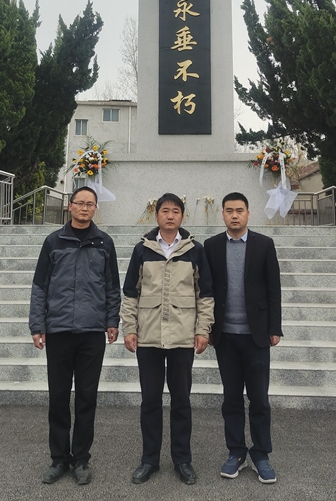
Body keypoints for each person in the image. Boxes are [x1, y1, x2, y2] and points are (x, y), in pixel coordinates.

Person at [29, 186, 121, 486]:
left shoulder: (104, 243)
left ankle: (81, 459)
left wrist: (112, 321)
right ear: (70, 206)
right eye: (79, 203)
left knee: (86, 397)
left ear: (95, 208)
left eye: (90, 204)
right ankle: (59, 459)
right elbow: (40, 286)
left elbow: (112, 287)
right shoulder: (53, 241)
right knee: (58, 397)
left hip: (92, 332)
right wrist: (37, 325)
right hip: (58, 331)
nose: (84, 208)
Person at [121, 192, 214, 485]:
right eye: (165, 210)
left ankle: (182, 460)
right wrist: (129, 328)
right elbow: (130, 292)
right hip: (148, 337)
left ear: (182, 216)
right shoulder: (142, 249)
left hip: (182, 338)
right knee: (150, 400)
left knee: (181, 401)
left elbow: (205, 295)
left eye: (175, 211)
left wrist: (202, 330)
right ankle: (149, 459)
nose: (170, 215)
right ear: (156, 215)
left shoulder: (195, 250)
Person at [203, 192, 282, 484]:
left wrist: (275, 327)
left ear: (248, 213)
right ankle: (235, 452)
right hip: (225, 337)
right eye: (229, 210)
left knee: (259, 399)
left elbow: (274, 289)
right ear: (222, 214)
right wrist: (208, 328)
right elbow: (207, 290)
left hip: (256, 336)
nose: (234, 215)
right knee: (232, 399)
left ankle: (261, 454)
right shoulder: (211, 246)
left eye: (239, 210)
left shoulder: (264, 244)